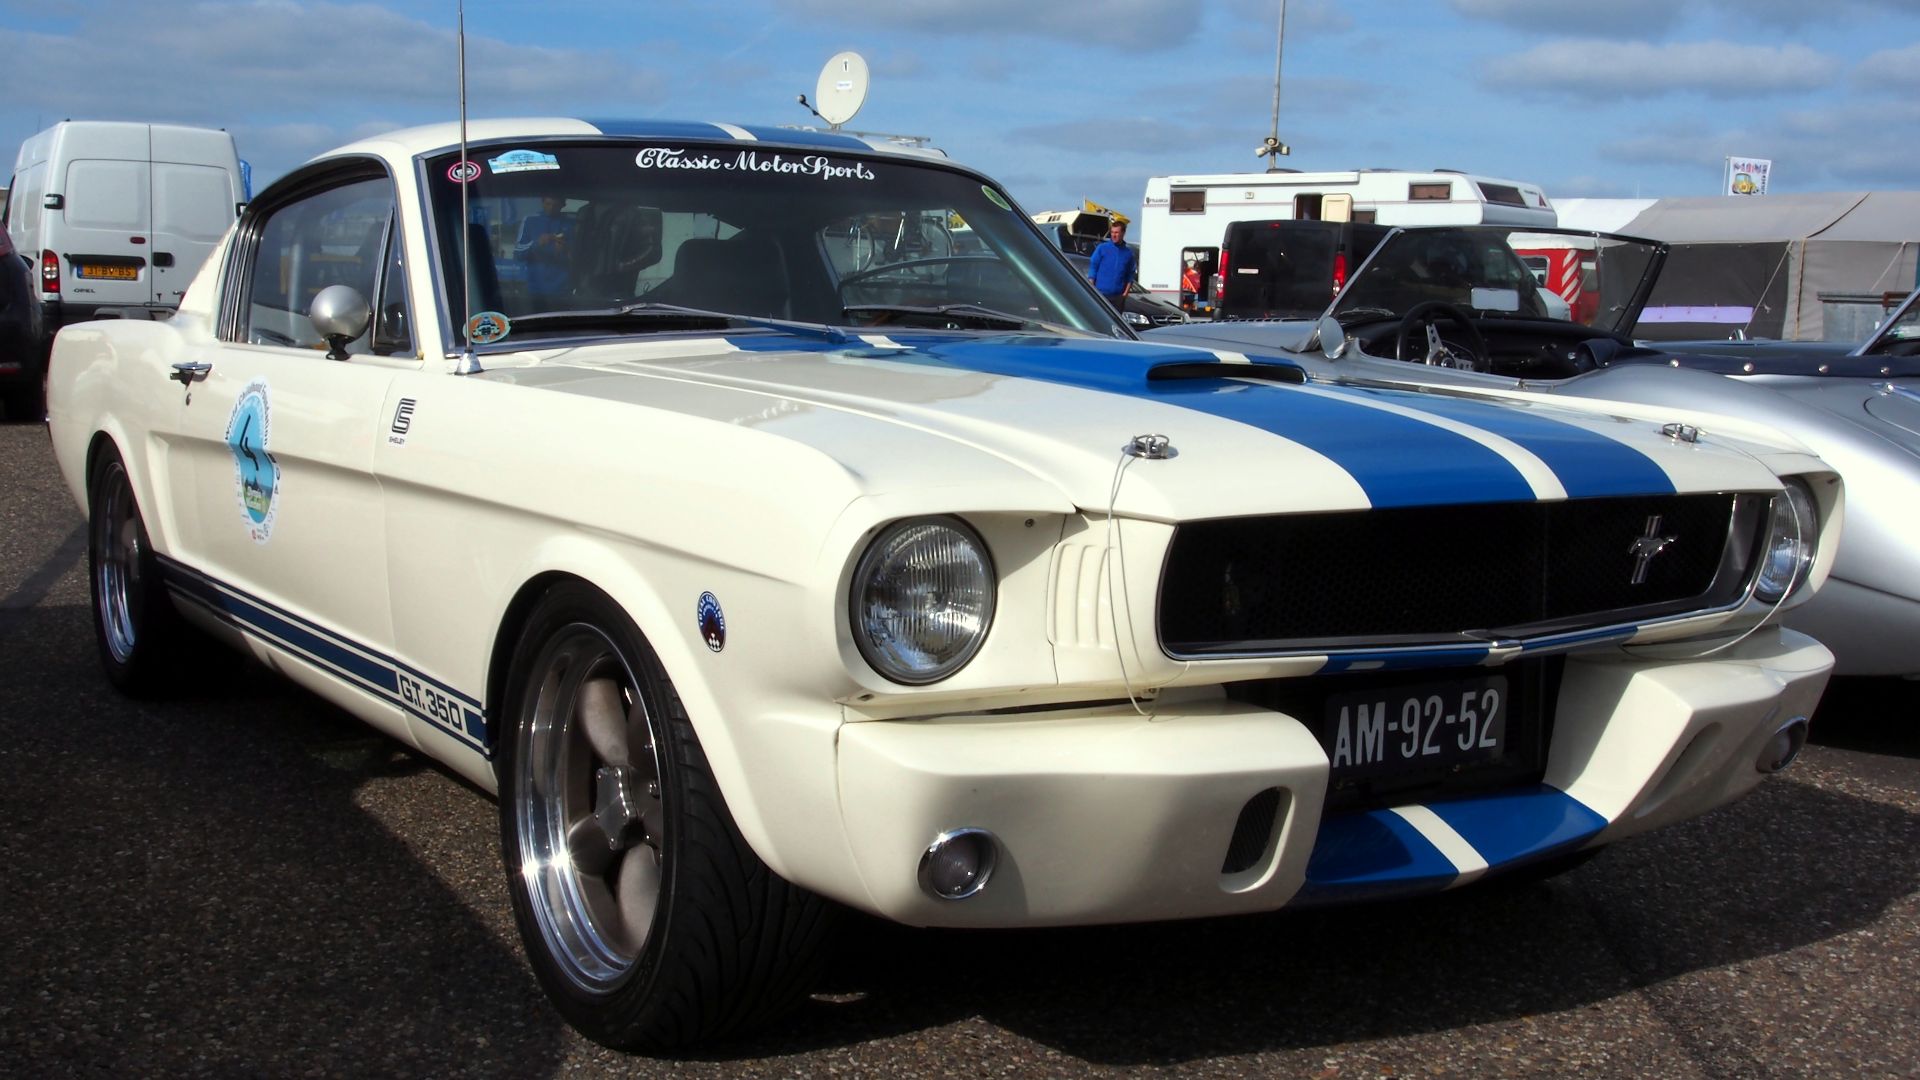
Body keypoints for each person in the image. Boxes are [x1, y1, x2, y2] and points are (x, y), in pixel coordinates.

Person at [514, 195, 574, 311]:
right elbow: (518, 253)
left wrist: (566, 248)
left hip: (562, 291)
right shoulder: (530, 220)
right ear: (542, 203)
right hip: (535, 290)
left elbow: (580, 257)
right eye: (548, 204)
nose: (551, 208)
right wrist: (538, 243)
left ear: (563, 205)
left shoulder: (571, 223)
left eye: (555, 205)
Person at [1087, 220, 1138, 313]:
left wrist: (1125, 294)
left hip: (1118, 298)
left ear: (1123, 233)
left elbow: (1130, 275)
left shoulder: (1128, 253)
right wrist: (1092, 290)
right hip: (1100, 295)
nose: (1114, 235)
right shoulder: (1102, 248)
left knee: (1115, 325)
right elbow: (1093, 269)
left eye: (1117, 232)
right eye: (1112, 232)